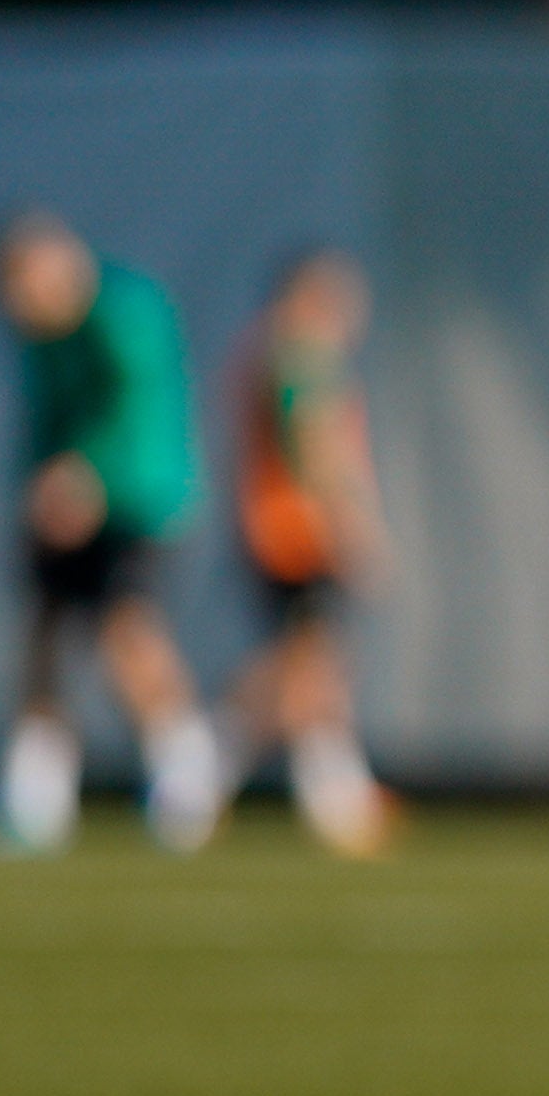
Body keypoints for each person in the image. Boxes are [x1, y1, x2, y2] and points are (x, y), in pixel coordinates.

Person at [0, 211, 222, 854]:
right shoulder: (38, 336)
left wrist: (85, 476)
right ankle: (36, 792)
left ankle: (184, 771)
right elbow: (46, 420)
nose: (21, 306)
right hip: (62, 503)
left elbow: (136, 407)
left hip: (138, 499)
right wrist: (39, 492)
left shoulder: (127, 309)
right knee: (43, 637)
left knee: (126, 632)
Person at [222, 246, 396, 857]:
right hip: (300, 532)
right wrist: (354, 529)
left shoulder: (265, 350)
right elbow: (318, 448)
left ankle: (336, 793)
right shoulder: (301, 354)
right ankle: (199, 765)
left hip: (277, 528)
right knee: (306, 665)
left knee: (316, 665)